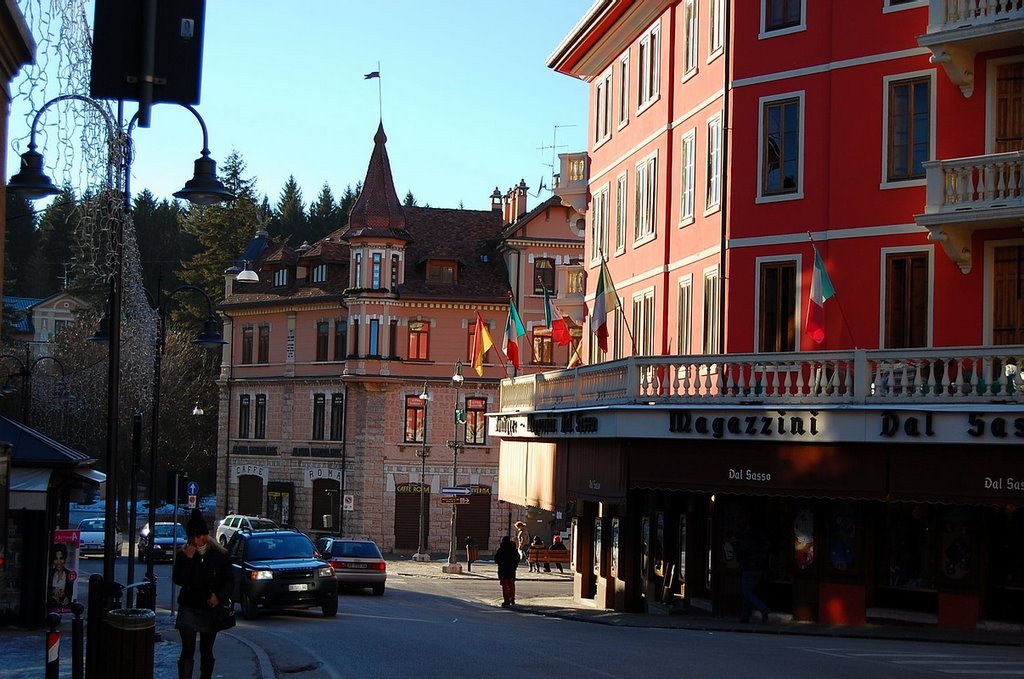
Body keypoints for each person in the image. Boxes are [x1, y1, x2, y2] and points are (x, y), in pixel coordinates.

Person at [173, 509, 233, 679]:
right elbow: (180, 579)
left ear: (205, 536)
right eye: (192, 538)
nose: (196, 541)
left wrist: (219, 596)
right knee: (188, 649)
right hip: (189, 606)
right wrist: (187, 560)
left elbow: (228, 581)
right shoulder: (184, 554)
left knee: (206, 649)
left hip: (209, 608)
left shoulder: (219, 555)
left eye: (199, 537)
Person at [734, 522, 770, 624]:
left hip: (748, 568)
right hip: (758, 569)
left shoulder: (744, 540)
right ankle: (745, 617)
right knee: (749, 592)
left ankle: (762, 608)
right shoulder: (760, 540)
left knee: (747, 592)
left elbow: (739, 555)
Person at [494, 535, 520, 607]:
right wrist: (514, 566)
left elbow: (496, 559)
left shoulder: (501, 549)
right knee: (511, 584)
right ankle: (512, 598)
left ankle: (506, 600)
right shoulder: (513, 549)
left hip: (503, 569)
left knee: (505, 585)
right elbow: (517, 558)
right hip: (511, 569)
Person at [48, 542, 75, 610]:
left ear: (65, 559)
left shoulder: (69, 574)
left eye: (61, 558)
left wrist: (63, 596)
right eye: (56, 559)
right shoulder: (49, 573)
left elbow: (69, 598)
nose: (58, 562)